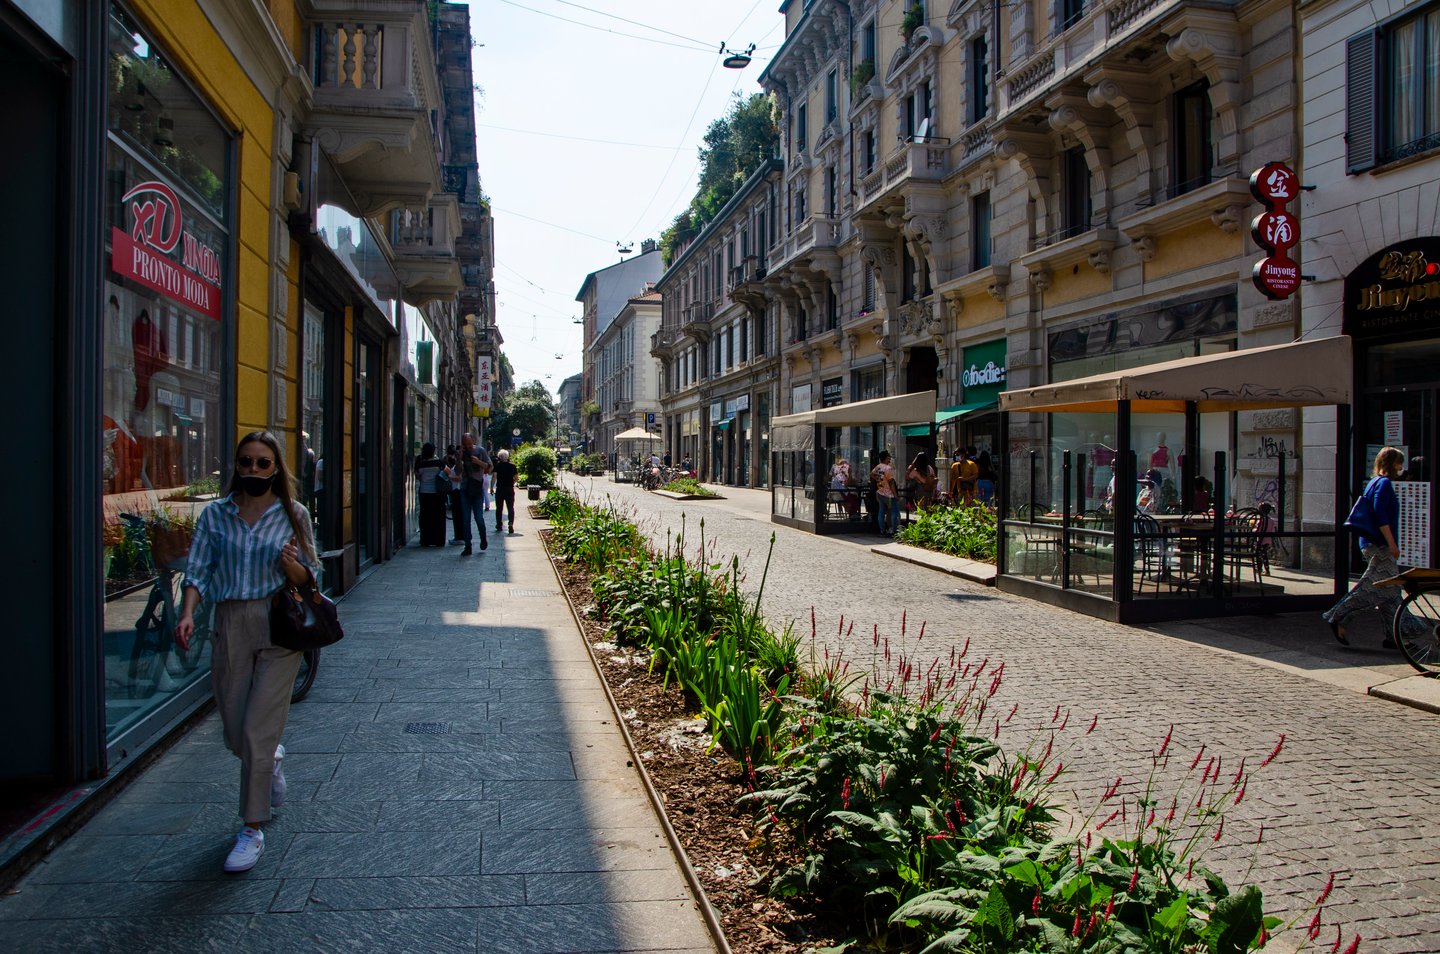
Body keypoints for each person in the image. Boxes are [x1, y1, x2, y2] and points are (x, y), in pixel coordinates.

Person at [175, 431, 318, 873]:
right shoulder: (217, 516)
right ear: (235, 466)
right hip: (231, 622)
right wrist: (187, 614)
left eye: (262, 463)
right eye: (246, 462)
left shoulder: (293, 514)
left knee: (256, 732)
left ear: (276, 468)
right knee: (237, 729)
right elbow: (198, 568)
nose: (253, 470)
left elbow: (312, 575)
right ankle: (270, 760)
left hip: (279, 624)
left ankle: (251, 828)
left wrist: (291, 565)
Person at [1324, 446, 1415, 647]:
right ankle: (1339, 615)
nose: (1401, 466)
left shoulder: (1374, 482)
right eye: (1399, 462)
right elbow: (1380, 516)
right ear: (1392, 463)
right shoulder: (1384, 484)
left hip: (1372, 543)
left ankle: (1395, 637)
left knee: (1390, 592)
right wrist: (1392, 544)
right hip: (1379, 545)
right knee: (1372, 588)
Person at [458, 433, 491, 555]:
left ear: (473, 441)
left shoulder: (480, 450)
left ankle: (483, 538)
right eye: (465, 444)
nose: (468, 446)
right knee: (466, 519)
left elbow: (489, 467)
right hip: (465, 488)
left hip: (477, 488)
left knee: (479, 517)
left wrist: (478, 462)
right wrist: (459, 457)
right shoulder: (461, 453)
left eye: (469, 444)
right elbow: (457, 471)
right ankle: (468, 546)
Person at [414, 442, 447, 547]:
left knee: (425, 516)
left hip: (424, 492)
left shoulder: (420, 461)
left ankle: (425, 540)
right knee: (438, 517)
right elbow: (447, 472)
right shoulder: (438, 462)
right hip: (437, 493)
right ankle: (438, 540)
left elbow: (417, 476)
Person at [871, 451, 900, 535]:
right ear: (885, 458)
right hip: (889, 494)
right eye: (888, 457)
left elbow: (872, 473)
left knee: (881, 512)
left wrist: (878, 479)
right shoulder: (888, 468)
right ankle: (893, 529)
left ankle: (882, 529)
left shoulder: (878, 467)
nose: (890, 459)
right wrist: (895, 495)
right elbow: (891, 483)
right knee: (894, 511)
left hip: (880, 492)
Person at [492, 448, 519, 534]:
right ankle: (510, 522)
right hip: (509, 489)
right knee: (510, 507)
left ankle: (499, 525)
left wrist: (491, 487)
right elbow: (516, 478)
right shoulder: (513, 466)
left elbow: (494, 477)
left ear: (499, 457)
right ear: (507, 457)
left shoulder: (497, 466)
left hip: (500, 489)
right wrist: (512, 483)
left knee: (499, 508)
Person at [443, 444, 465, 545]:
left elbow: (459, 478)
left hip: (457, 491)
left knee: (457, 515)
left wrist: (449, 478)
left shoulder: (459, 465)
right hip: (457, 492)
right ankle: (460, 537)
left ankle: (459, 537)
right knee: (458, 515)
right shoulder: (459, 465)